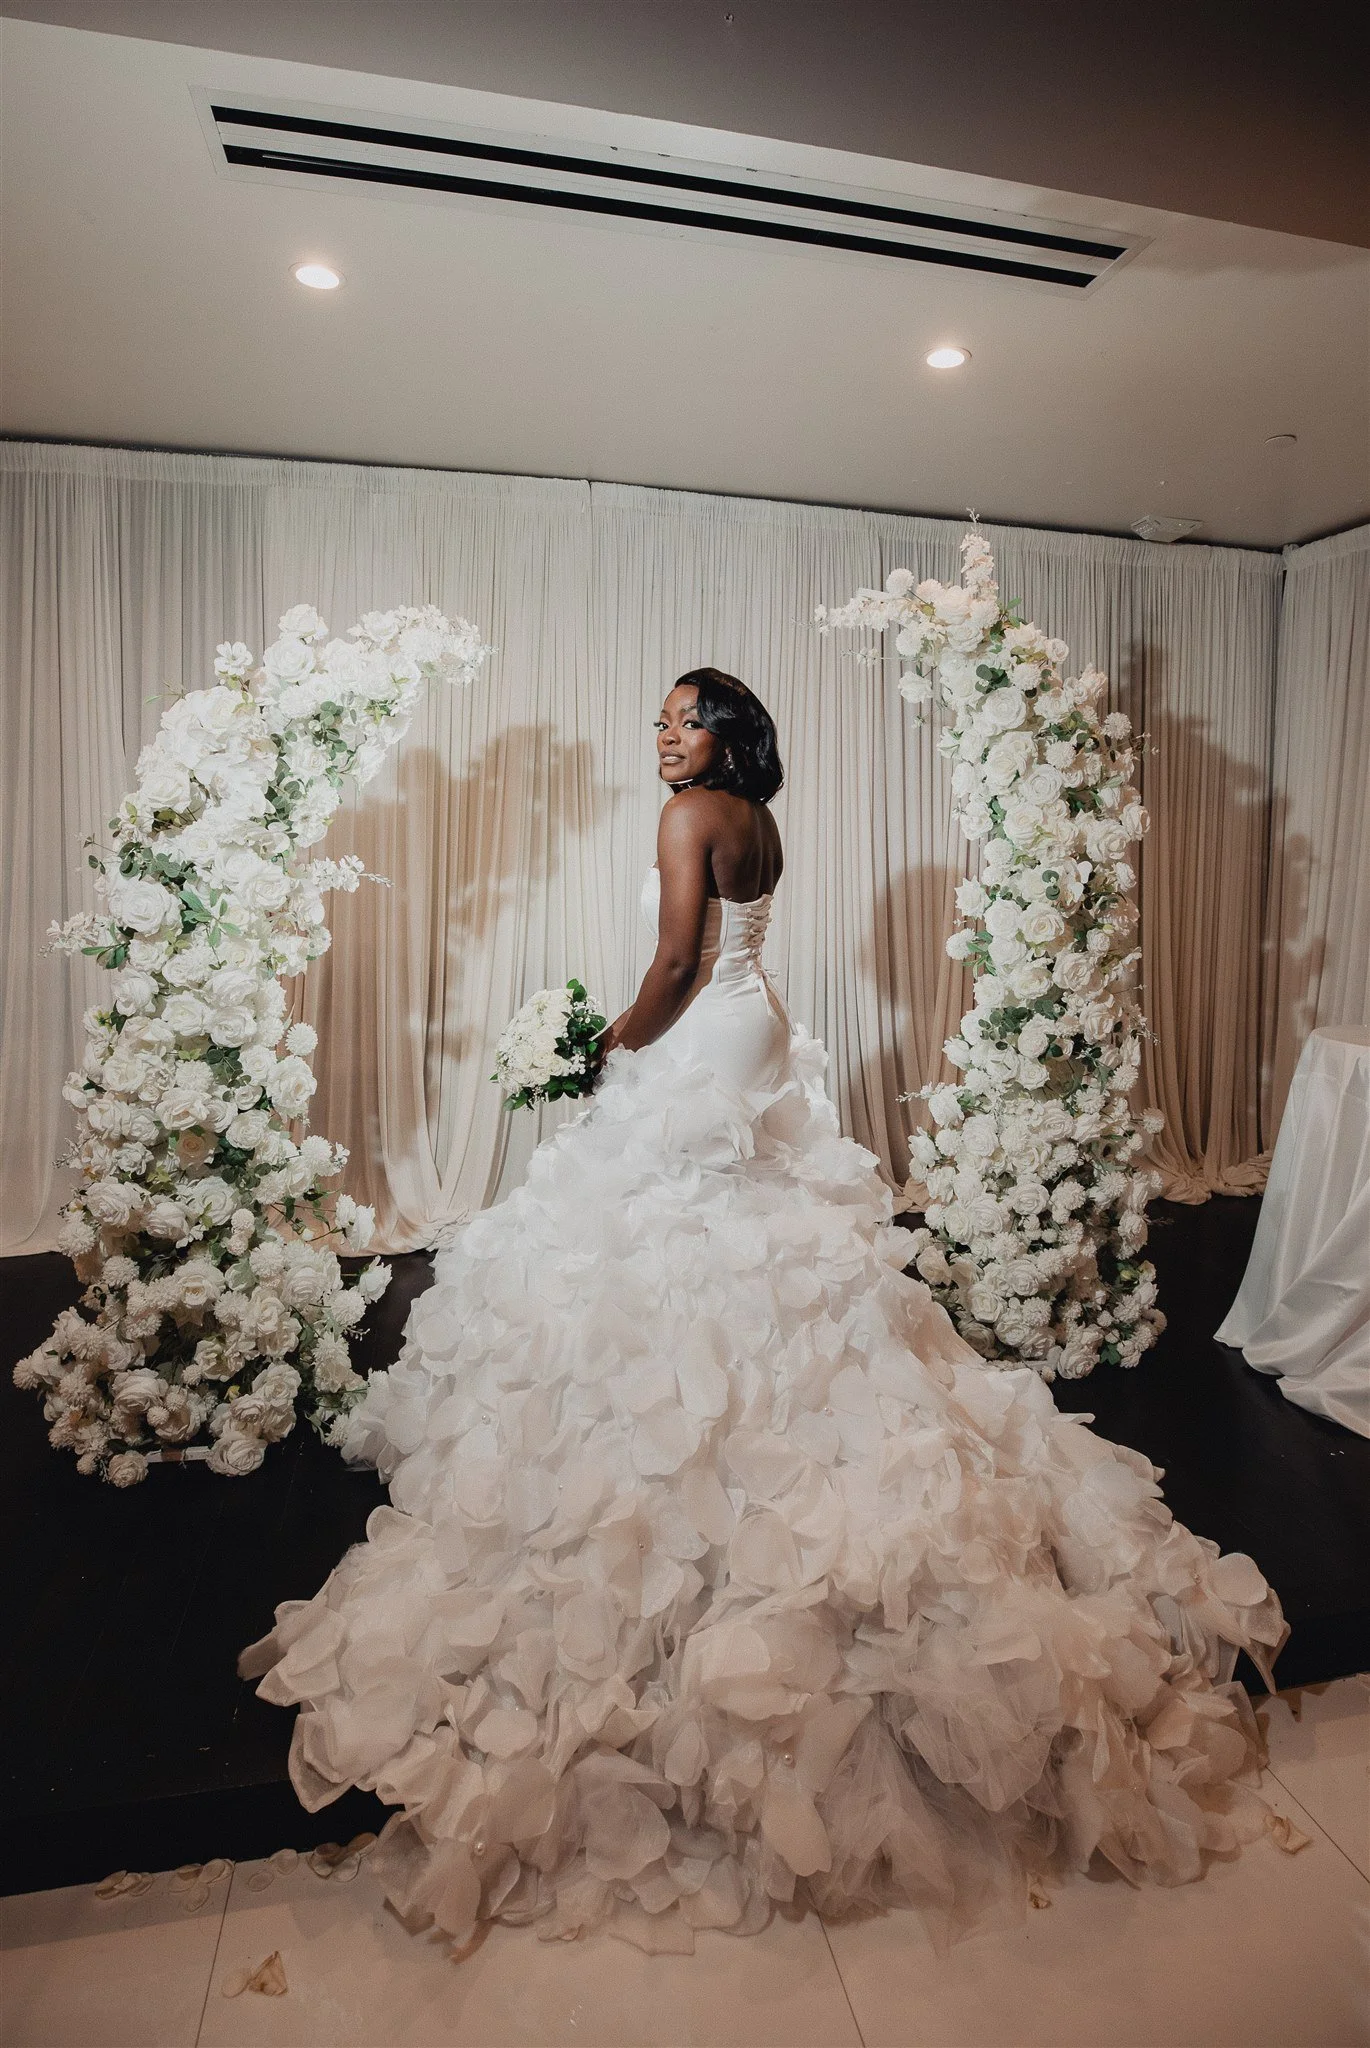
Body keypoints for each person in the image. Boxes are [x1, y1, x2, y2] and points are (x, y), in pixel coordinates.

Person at [241, 668, 1285, 1955]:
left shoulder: (687, 816)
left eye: (682, 714)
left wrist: (606, 1041)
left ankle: (692, 1419)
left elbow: (676, 959)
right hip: (757, 1030)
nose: (662, 729)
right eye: (662, 714)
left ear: (723, 731)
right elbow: (728, 951)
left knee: (676, 1225)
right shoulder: (754, 815)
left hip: (700, 1022)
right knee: (745, 1222)